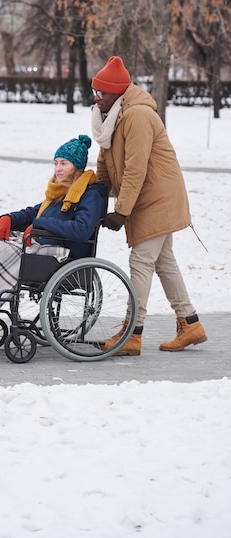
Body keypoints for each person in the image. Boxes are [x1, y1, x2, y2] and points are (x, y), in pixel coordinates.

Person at [90, 55, 207, 356]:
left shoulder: (138, 115)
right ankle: (190, 323)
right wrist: (96, 199)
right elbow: (105, 162)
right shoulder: (111, 115)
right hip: (147, 197)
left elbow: (136, 168)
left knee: (141, 261)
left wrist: (121, 211)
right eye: (95, 91)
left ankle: (133, 333)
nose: (96, 97)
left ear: (117, 92)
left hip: (158, 197)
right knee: (163, 262)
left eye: (101, 92)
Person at [0, 135, 108, 329]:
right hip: (43, 242)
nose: (58, 169)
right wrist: (9, 218)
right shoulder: (62, 191)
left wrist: (42, 224)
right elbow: (34, 212)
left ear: (78, 167)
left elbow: (81, 230)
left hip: (64, 252)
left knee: (0, 249)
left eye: (64, 163)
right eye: (56, 163)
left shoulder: (90, 194)